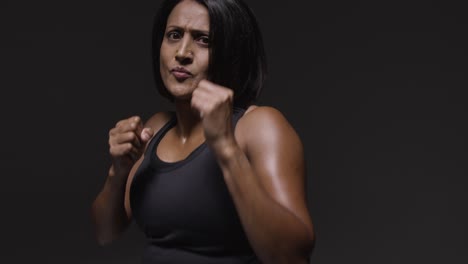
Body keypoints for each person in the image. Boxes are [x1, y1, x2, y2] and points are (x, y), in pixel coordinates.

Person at [91, 0, 315, 263]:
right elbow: (105, 232)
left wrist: (226, 148)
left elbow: (293, 256)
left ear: (232, 53)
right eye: (174, 35)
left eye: (203, 40)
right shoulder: (157, 127)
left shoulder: (260, 126)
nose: (182, 52)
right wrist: (117, 172)